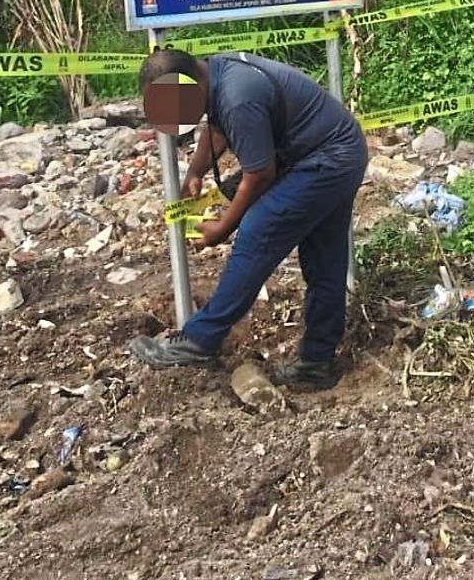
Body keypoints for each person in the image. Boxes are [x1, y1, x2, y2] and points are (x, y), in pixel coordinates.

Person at [129, 48, 368, 388]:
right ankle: (317, 363)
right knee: (323, 257)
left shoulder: (238, 96)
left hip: (326, 158)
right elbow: (217, 130)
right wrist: (195, 173)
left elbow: (259, 174)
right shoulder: (216, 74)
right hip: (336, 151)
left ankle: (200, 340)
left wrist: (223, 227)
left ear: (193, 84)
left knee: (258, 229)